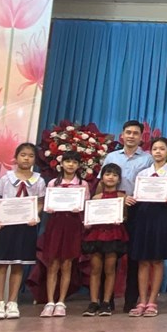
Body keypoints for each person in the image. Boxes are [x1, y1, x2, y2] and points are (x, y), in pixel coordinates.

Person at [0, 142, 45, 320]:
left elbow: (40, 202)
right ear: (16, 157)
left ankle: (12, 302)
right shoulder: (6, 178)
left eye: (31, 156)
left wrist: (35, 214)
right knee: (1, 264)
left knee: (18, 264)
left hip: (26, 227)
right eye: (23, 155)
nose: (26, 159)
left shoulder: (39, 181)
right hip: (5, 226)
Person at [102, 120, 151, 310]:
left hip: (138, 209)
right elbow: (102, 183)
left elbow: (151, 185)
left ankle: (131, 301)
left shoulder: (147, 159)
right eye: (128, 132)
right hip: (113, 208)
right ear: (122, 135)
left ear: (141, 137)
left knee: (134, 255)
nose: (131, 136)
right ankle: (106, 301)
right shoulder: (111, 157)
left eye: (135, 133)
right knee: (109, 254)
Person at [127, 136, 167, 318]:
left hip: (161, 217)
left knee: (157, 260)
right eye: (155, 149)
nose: (158, 152)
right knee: (143, 260)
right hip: (143, 216)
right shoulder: (142, 174)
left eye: (162, 149)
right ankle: (141, 301)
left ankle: (152, 301)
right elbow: (135, 194)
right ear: (151, 151)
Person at [40, 149, 87, 317]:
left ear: (78, 165)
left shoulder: (82, 184)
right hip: (55, 224)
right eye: (68, 161)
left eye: (74, 162)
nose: (71, 165)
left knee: (67, 264)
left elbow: (86, 205)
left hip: (73, 225)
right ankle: (49, 302)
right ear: (61, 163)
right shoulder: (53, 183)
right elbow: (47, 205)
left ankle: (61, 302)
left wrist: (79, 207)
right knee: (53, 263)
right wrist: (50, 207)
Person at [82, 164, 129, 317]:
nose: (111, 177)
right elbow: (90, 217)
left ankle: (106, 302)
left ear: (119, 179)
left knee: (110, 269)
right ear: (102, 178)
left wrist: (120, 218)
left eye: (114, 175)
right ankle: (93, 302)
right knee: (95, 269)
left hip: (114, 234)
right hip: (96, 234)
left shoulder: (122, 197)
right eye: (108, 174)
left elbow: (126, 216)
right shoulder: (95, 198)